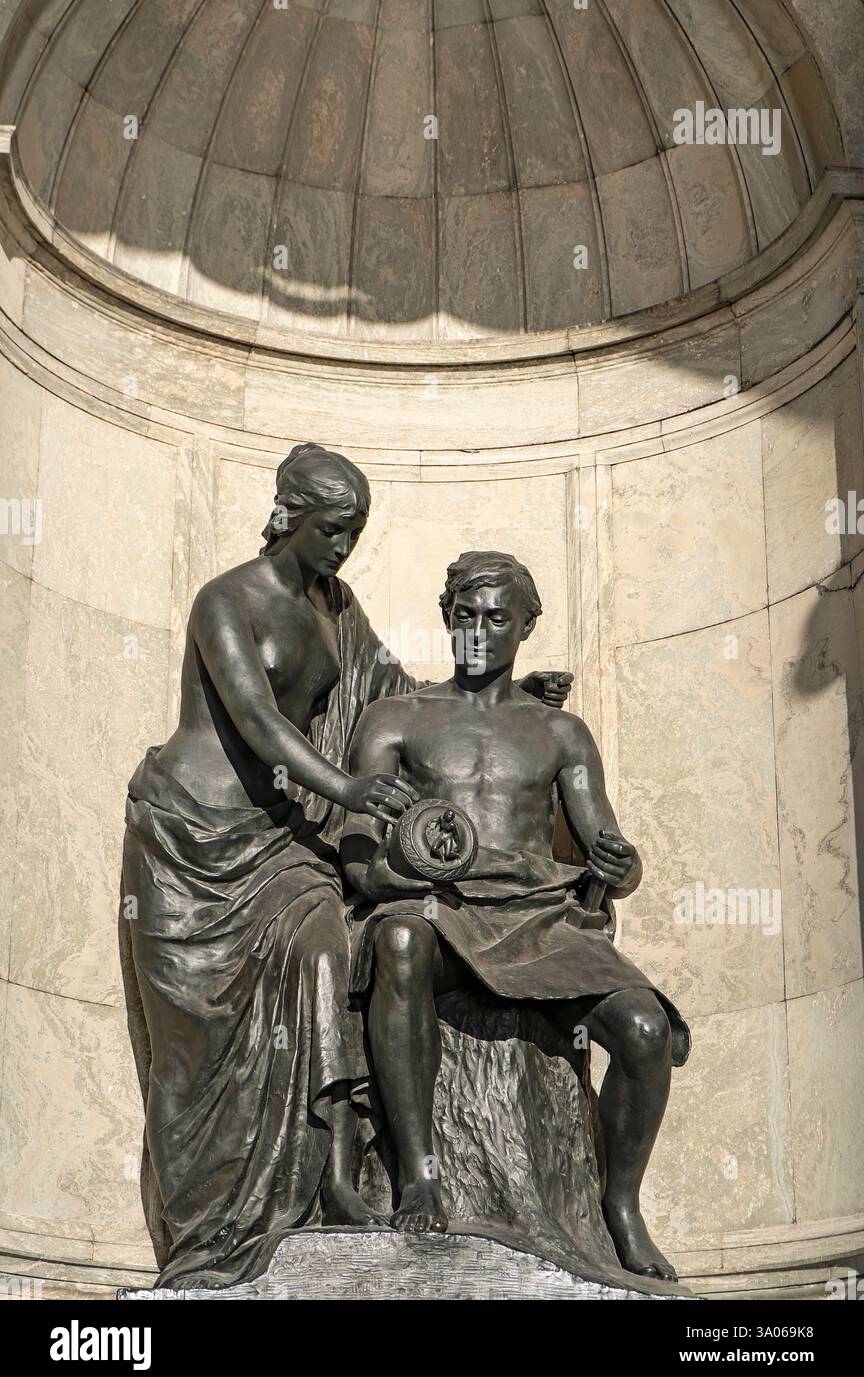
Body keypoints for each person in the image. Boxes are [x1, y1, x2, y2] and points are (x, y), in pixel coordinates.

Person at [120, 450, 571, 1289]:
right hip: (195, 837)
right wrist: (349, 787)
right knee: (196, 1054)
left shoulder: (335, 606)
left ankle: (330, 1172)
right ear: (289, 514)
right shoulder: (225, 601)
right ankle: (208, 1227)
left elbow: (388, 692)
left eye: (355, 533)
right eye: (332, 530)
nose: (343, 548)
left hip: (285, 840)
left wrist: (498, 705)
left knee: (329, 956)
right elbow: (258, 721)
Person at [341, 551, 691, 1282]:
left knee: (645, 1027)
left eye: (496, 617)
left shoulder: (561, 733)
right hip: (442, 909)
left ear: (526, 627)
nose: (478, 630)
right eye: (464, 615)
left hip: (543, 920)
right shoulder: (396, 719)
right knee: (400, 938)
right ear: (446, 618)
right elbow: (357, 858)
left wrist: (622, 870)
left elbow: (610, 852)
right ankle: (420, 1171)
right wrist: (401, 872)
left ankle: (620, 1205)